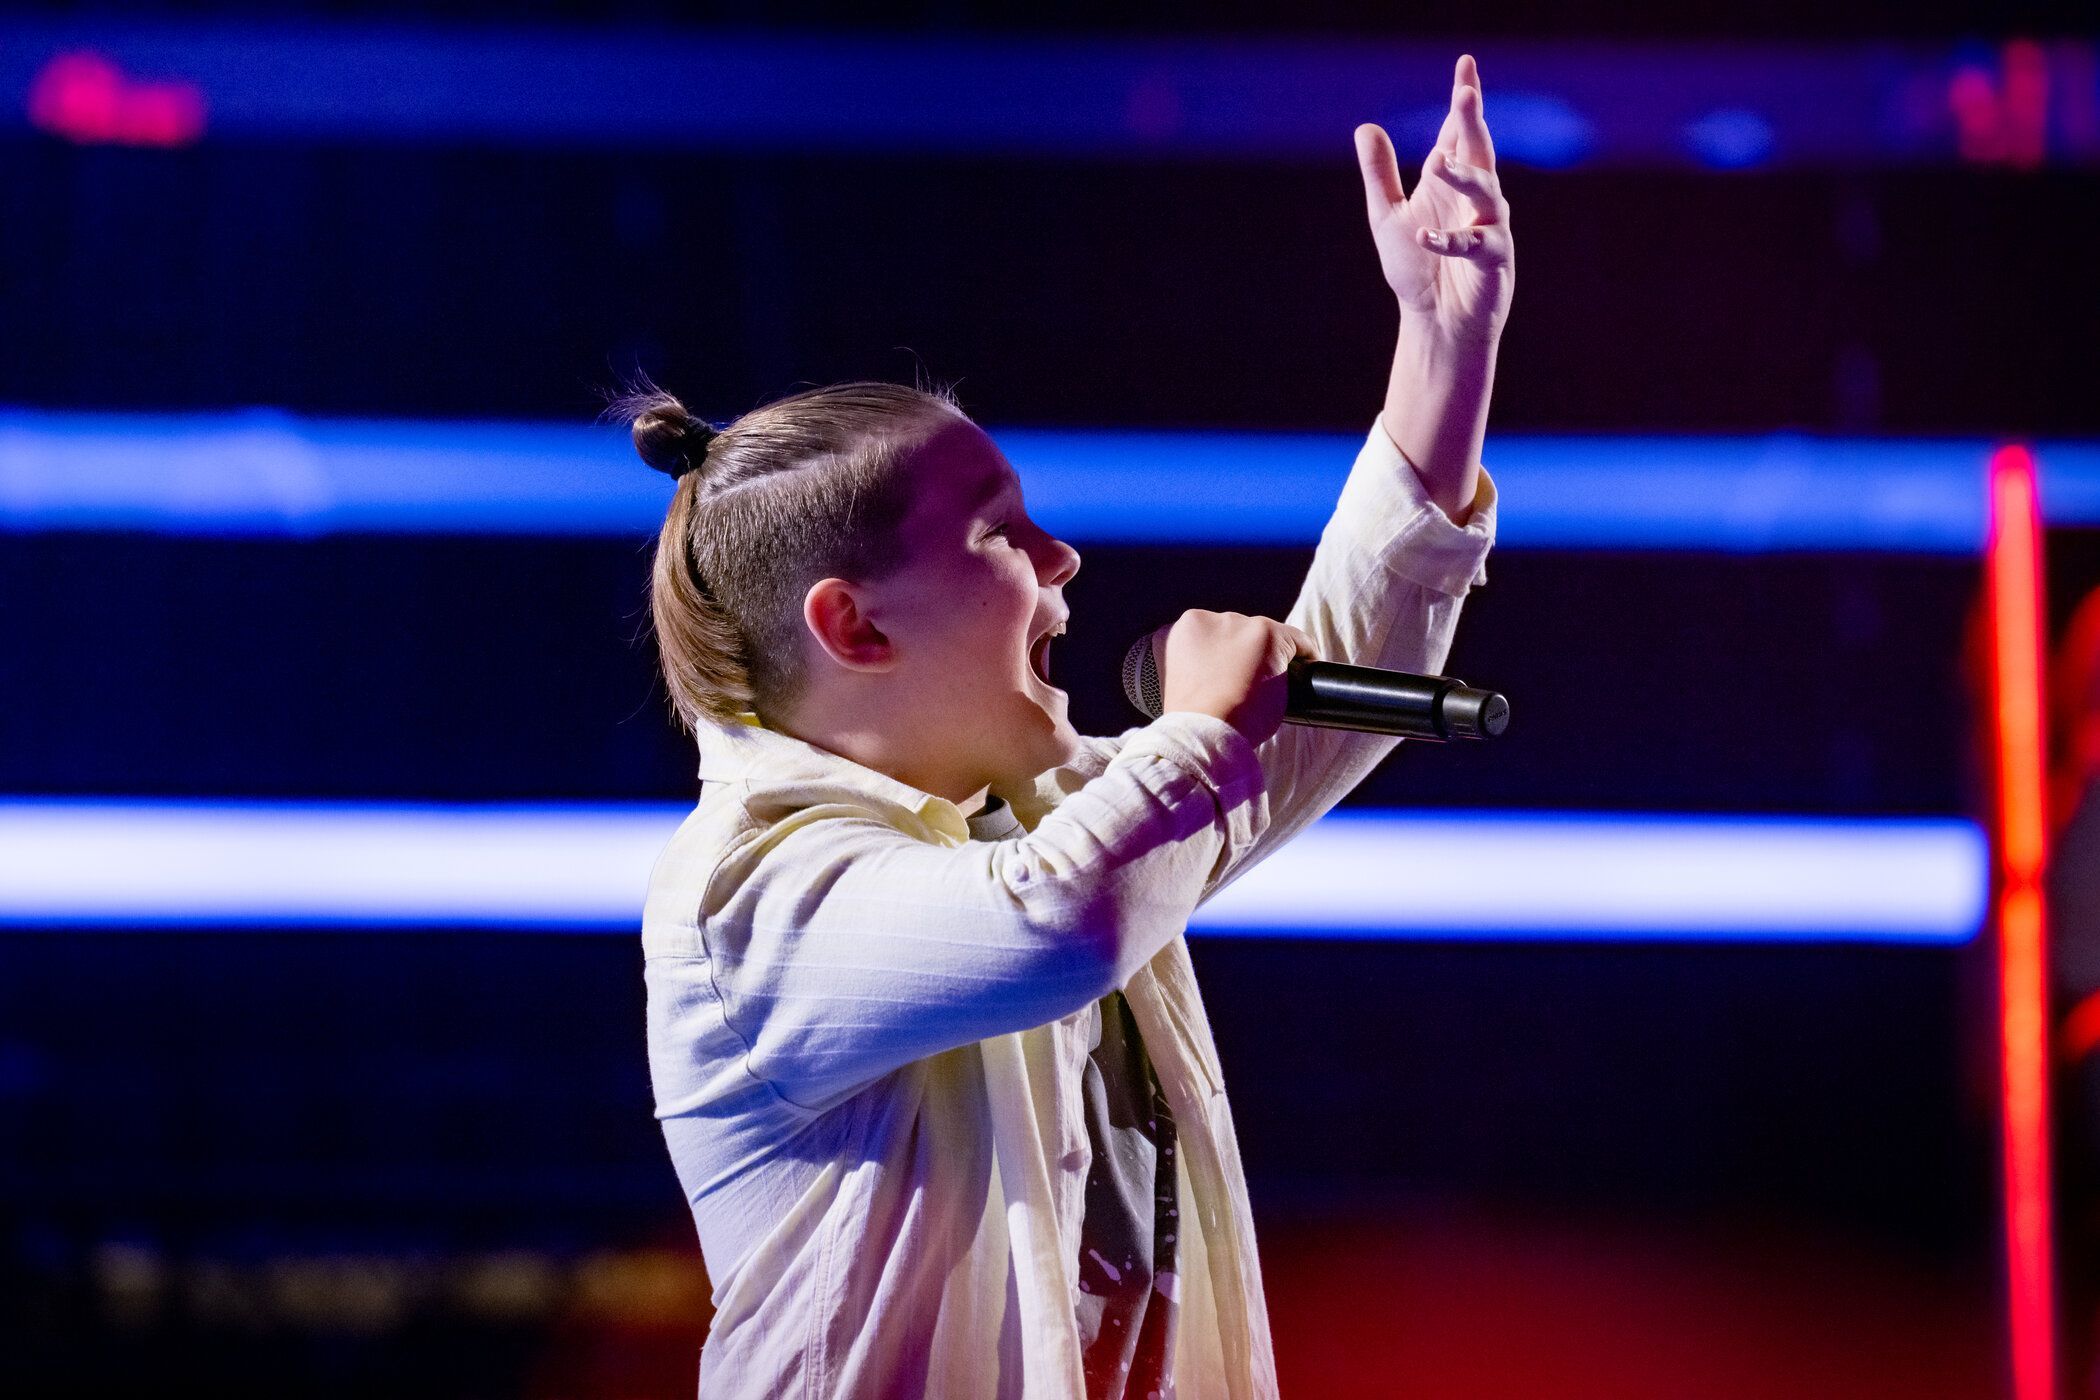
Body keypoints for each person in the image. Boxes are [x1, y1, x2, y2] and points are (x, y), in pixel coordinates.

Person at [624, 53, 1512, 1400]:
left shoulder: (1039, 821)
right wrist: (1199, 732)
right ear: (856, 628)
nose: (1067, 559)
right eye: (1003, 535)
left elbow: (1326, 681)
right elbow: (1061, 922)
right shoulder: (745, 902)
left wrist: (1444, 344)